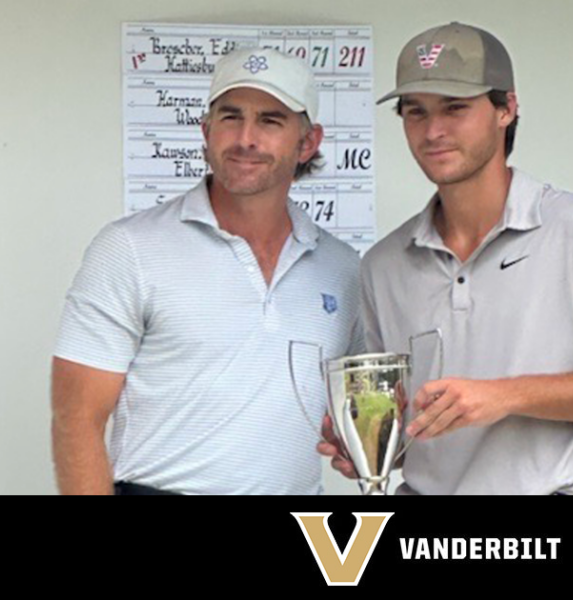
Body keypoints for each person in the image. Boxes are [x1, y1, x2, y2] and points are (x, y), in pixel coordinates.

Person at [319, 22, 573, 494]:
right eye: (415, 111)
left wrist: (503, 395)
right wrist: (366, 442)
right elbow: (409, 428)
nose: (433, 131)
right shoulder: (384, 264)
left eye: (455, 107)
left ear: (506, 109)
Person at [52, 47, 362, 495]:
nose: (246, 138)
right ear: (206, 130)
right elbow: (76, 418)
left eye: (270, 120)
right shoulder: (129, 248)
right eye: (230, 117)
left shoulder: (342, 267)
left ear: (308, 142)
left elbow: (362, 409)